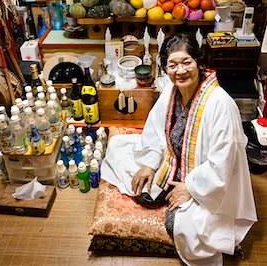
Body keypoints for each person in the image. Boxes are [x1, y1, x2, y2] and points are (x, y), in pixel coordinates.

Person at [101, 32, 257, 266]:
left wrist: (190, 188)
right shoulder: (170, 91)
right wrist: (150, 163)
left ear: (199, 63)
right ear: (165, 68)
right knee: (124, 161)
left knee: (184, 229)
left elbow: (223, 164)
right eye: (173, 65)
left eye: (187, 62)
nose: (180, 71)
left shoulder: (221, 105)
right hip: (173, 163)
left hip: (208, 183)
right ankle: (167, 186)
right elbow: (155, 131)